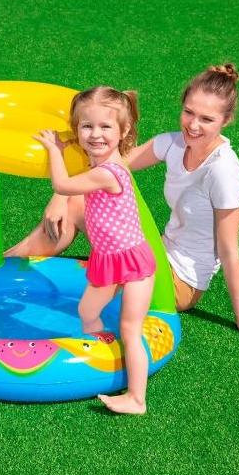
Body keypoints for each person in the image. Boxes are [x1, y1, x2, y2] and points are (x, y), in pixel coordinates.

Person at [10, 63, 239, 346]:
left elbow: (230, 251)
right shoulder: (174, 143)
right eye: (189, 112)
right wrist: (60, 197)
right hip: (159, 249)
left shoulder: (223, 172)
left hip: (180, 282)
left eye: (206, 119)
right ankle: (7, 265)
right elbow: (112, 164)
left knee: (77, 207)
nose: (193, 125)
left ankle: (7, 267)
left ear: (226, 120)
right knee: (75, 202)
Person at [33, 85, 157, 416]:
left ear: (124, 131)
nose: (95, 135)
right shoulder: (99, 159)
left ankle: (136, 398)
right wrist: (70, 140)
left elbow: (62, 185)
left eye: (105, 127)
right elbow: (86, 145)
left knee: (131, 329)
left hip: (132, 262)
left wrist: (54, 149)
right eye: (87, 126)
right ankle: (101, 356)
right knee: (87, 312)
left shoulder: (107, 172)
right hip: (108, 260)